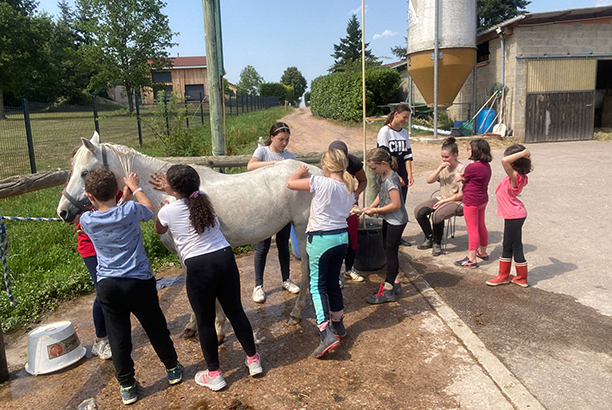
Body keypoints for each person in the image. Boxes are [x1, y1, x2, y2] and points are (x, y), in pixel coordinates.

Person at [153, 165, 262, 391]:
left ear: (173, 189)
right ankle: (253, 360)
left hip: (198, 266)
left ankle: (214, 373)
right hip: (224, 257)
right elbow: (188, 195)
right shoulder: (203, 198)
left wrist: (164, 205)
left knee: (204, 320)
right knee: (236, 311)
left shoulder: (167, 211)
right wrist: (171, 191)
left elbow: (159, 230)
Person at [79, 169, 181, 406]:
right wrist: (134, 188)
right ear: (116, 190)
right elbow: (148, 208)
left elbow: (108, 213)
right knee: (155, 327)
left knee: (118, 336)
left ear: (89, 196)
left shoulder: (86, 220)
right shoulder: (130, 209)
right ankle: (172, 369)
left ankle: (127, 386)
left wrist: (119, 199)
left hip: (108, 285)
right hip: (138, 281)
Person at [287, 149, 355, 358]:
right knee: (333, 283)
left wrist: (299, 171)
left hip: (321, 239)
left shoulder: (321, 182)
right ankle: (339, 325)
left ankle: (325, 333)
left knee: (317, 286)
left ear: (325, 167)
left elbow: (290, 183)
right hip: (341, 238)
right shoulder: (348, 187)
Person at [247, 122, 300, 303]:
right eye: (280, 139)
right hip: (264, 207)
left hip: (284, 207)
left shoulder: (290, 156)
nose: (284, 143)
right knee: (262, 247)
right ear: (272, 138)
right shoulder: (262, 152)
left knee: (283, 245)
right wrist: (276, 165)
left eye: (286, 139)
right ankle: (258, 285)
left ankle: (286, 279)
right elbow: (250, 166)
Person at [68, 147, 112, 360]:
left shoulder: (107, 186)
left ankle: (113, 333)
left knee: (113, 289)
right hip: (91, 249)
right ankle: (101, 340)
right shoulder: (74, 190)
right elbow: (69, 217)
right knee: (102, 291)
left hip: (111, 246)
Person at [362, 148, 409, 304]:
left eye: (374, 168)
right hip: (389, 219)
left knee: (391, 253)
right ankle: (394, 283)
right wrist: (370, 207)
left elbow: (395, 204)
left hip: (396, 220)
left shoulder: (391, 179)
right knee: (387, 250)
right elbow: (380, 195)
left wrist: (375, 210)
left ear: (383, 163)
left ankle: (388, 291)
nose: (373, 171)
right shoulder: (382, 175)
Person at [487, 145, 532, 287]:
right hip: (515, 214)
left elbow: (504, 161)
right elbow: (507, 160)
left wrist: (523, 153)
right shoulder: (519, 176)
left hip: (514, 214)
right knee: (515, 245)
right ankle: (520, 277)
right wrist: (524, 155)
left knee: (509, 245)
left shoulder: (516, 177)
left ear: (515, 162)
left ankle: (504, 276)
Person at [414, 137, 464, 257]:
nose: (444, 159)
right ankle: (429, 237)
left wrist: (444, 202)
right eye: (442, 156)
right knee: (419, 211)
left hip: (456, 201)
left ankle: (437, 243)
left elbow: (462, 194)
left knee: (437, 214)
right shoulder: (444, 168)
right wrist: (439, 169)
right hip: (442, 197)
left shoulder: (462, 169)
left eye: (446, 157)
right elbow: (429, 181)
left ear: (455, 155)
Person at [328, 140, 367, 282]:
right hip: (333, 203)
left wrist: (357, 192)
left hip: (350, 201)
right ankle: (335, 273)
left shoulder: (353, 163)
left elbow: (363, 180)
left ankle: (349, 268)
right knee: (335, 236)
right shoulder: (326, 165)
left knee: (352, 234)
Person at [377, 103, 413, 246]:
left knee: (400, 203)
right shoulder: (384, 131)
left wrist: (409, 174)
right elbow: (383, 156)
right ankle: (385, 236)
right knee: (389, 203)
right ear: (396, 114)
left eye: (407, 118)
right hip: (389, 171)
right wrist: (394, 175)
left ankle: (397, 236)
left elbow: (408, 155)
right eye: (404, 117)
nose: (405, 121)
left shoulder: (403, 133)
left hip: (402, 172)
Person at [454, 139, 492, 269]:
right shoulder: (486, 165)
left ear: (476, 151)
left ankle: (471, 258)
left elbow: (465, 178)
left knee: (472, 229)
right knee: (481, 225)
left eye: (469, 149)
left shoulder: (472, 167)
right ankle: (482, 251)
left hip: (471, 200)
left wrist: (460, 178)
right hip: (482, 199)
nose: (468, 151)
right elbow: (470, 176)